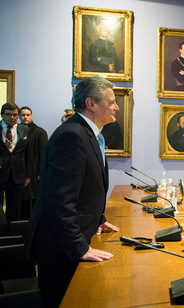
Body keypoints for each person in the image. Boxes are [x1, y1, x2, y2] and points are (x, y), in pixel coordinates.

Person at [25, 76, 120, 307]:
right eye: (111, 102)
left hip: (70, 239)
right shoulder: (72, 135)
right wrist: (79, 247)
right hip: (60, 249)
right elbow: (60, 200)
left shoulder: (91, 134)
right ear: (91, 103)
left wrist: (99, 218)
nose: (116, 107)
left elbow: (85, 187)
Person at [0, 103, 30, 223]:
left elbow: (28, 154)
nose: (12, 118)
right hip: (1, 173)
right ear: (2, 115)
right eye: (8, 115)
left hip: (17, 175)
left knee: (14, 208)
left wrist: (28, 175)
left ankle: (11, 234)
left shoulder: (25, 130)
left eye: (15, 115)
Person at [19, 106, 48, 219]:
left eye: (28, 115)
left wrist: (41, 172)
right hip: (21, 172)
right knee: (22, 202)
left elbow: (44, 154)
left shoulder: (40, 132)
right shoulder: (17, 131)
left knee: (36, 201)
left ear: (31, 116)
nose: (25, 117)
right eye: (23, 115)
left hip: (35, 172)